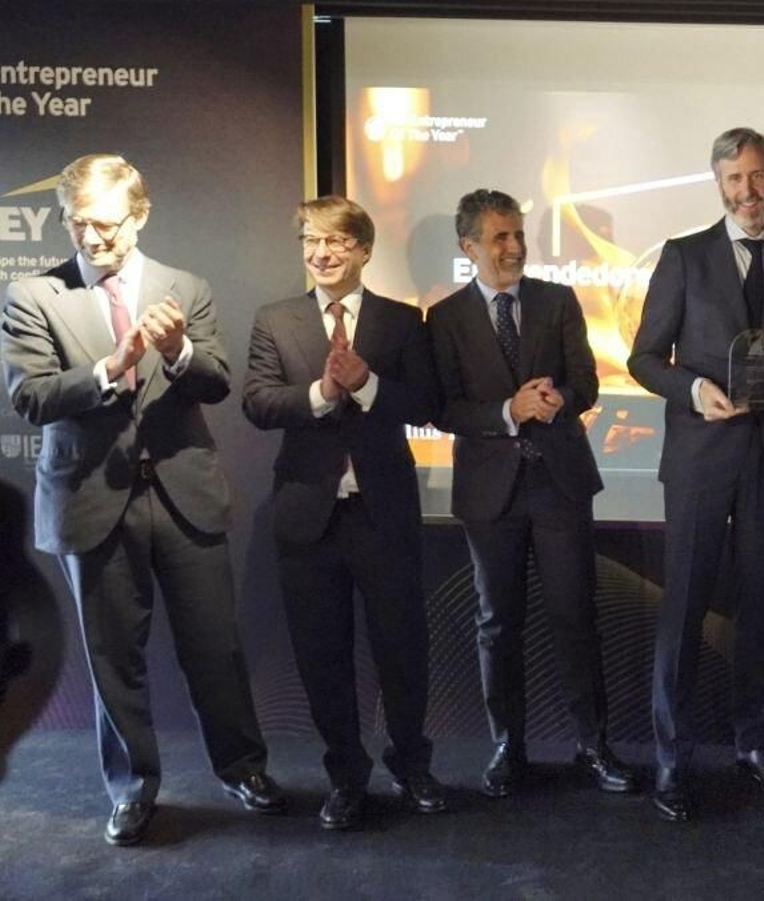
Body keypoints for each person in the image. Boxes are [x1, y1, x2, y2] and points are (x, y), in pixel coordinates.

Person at [0, 154, 284, 845]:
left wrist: (180, 349)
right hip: (91, 498)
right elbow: (29, 396)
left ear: (141, 215)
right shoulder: (34, 295)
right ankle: (132, 788)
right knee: (112, 657)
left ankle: (242, 766)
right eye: (78, 224)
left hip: (184, 493)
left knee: (214, 648)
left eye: (105, 224)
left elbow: (216, 382)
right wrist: (110, 367)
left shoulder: (185, 287)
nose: (92, 239)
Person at [628, 127, 764, 823]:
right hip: (700, 459)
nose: (750, 190)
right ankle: (671, 757)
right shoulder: (684, 256)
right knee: (681, 610)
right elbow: (644, 357)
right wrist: (691, 391)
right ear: (718, 182)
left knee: (760, 608)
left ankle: (754, 742)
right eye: (736, 178)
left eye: (760, 175)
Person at [241, 196, 444, 830]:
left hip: (383, 515)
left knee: (402, 649)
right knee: (322, 657)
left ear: (363, 249)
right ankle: (346, 776)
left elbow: (429, 403)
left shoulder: (402, 321)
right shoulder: (276, 320)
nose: (320, 253)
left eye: (334, 241)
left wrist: (369, 384)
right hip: (308, 516)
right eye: (310, 240)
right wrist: (323, 393)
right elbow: (258, 403)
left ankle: (411, 766)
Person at [428, 189, 635, 800]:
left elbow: (589, 382)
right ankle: (506, 746)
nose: (515, 247)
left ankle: (593, 745)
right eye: (500, 237)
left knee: (576, 619)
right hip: (490, 492)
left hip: (560, 483)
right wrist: (506, 411)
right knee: (498, 624)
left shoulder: (559, 299)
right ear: (469, 247)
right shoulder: (444, 318)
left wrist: (559, 400)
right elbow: (442, 408)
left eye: (518, 234)